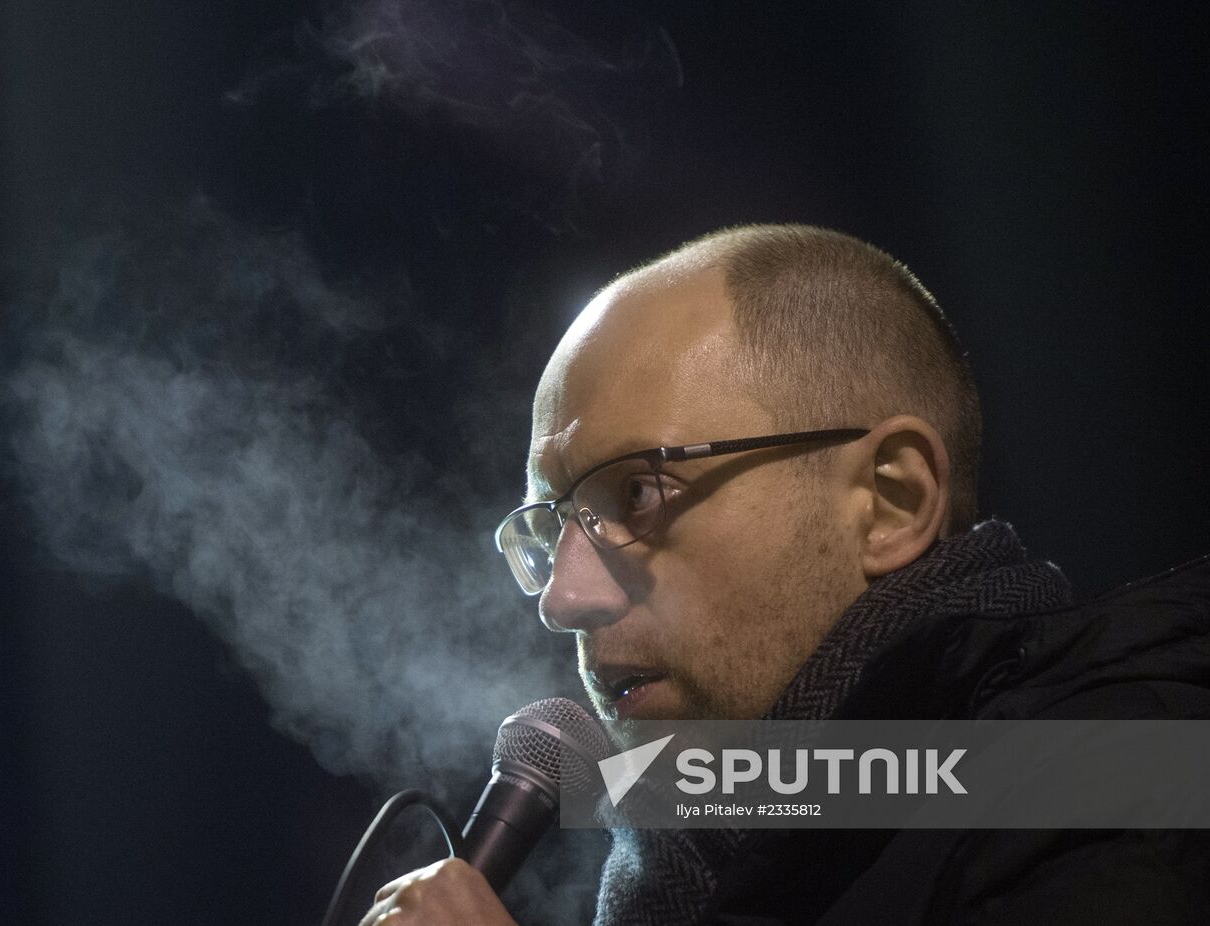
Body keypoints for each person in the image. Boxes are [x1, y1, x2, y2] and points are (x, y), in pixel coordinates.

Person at [358, 225, 1210, 925]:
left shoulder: (1123, 787)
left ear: (890, 501)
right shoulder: (706, 869)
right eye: (551, 527)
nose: (563, 598)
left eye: (641, 489)